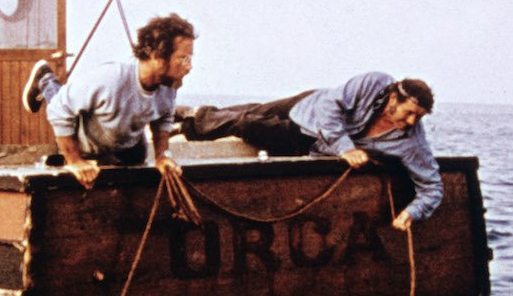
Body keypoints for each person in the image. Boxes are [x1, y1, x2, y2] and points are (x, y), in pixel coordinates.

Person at [179, 72, 441, 230]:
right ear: (395, 98)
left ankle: (194, 118)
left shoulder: (412, 141)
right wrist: (345, 148)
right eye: (409, 113)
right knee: (257, 110)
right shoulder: (375, 83)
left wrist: (412, 212)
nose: (411, 122)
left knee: (248, 124)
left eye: (418, 118)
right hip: (309, 106)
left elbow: (432, 188)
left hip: (305, 138)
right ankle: (193, 118)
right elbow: (330, 105)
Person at [22, 13, 196, 189]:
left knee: (136, 158)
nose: (189, 67)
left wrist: (162, 156)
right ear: (157, 56)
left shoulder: (168, 85)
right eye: (183, 58)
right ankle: (44, 78)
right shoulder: (111, 78)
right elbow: (59, 110)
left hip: (124, 142)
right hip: (88, 139)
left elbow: (163, 118)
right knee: (59, 99)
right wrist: (74, 160)